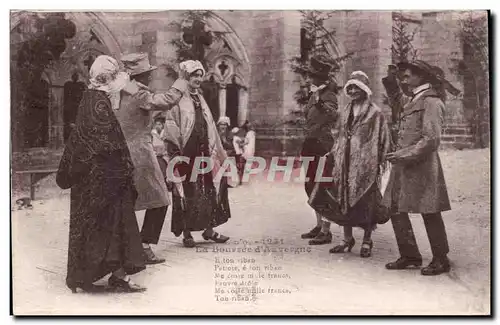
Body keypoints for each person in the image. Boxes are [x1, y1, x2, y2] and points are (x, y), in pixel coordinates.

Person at [56, 56, 146, 293]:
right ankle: (114, 277)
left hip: (96, 178)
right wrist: (124, 169)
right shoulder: (98, 102)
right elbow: (106, 143)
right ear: (108, 80)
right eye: (116, 79)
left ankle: (108, 276)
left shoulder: (92, 98)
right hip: (104, 178)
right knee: (114, 224)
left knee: (107, 226)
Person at [382, 60, 455, 276]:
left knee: (429, 211)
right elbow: (397, 100)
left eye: (407, 75)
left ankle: (441, 259)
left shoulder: (431, 102)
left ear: (421, 77)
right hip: (403, 166)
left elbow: (431, 139)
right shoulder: (414, 98)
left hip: (421, 166)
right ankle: (410, 255)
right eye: (403, 76)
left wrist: (403, 155)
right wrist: (391, 80)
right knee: (395, 208)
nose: (404, 78)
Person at [116, 52, 188, 264]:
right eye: (148, 73)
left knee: (127, 202)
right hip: (139, 154)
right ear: (142, 75)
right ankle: (143, 246)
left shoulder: (122, 91)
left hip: (123, 153)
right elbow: (167, 101)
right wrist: (181, 79)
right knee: (160, 200)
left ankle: (128, 249)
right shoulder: (138, 93)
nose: (151, 76)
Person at [310, 71, 391, 257]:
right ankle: (347, 239)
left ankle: (367, 240)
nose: (353, 91)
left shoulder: (375, 113)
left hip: (365, 163)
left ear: (364, 90)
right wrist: (334, 151)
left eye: (357, 87)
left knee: (366, 201)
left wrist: (378, 160)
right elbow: (338, 133)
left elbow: (383, 138)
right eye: (350, 87)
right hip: (344, 162)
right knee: (342, 199)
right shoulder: (346, 111)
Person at [163, 60, 231, 248]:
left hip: (204, 152)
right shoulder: (178, 100)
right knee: (187, 191)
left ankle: (208, 230)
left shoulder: (200, 98)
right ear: (185, 77)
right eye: (194, 75)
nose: (198, 79)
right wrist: (175, 153)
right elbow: (171, 125)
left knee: (208, 189)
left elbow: (209, 126)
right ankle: (186, 233)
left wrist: (218, 150)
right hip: (187, 152)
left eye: (200, 75)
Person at [300, 54, 340, 246]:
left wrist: (319, 102)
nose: (309, 78)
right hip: (310, 143)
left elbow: (334, 115)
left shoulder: (328, 94)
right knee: (310, 185)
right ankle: (318, 225)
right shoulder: (314, 94)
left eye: (312, 76)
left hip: (323, 145)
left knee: (322, 186)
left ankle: (326, 230)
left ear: (320, 78)